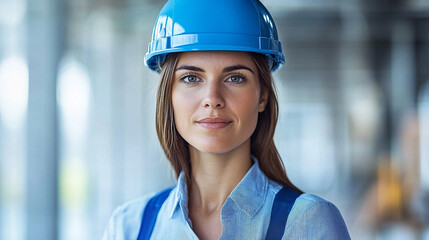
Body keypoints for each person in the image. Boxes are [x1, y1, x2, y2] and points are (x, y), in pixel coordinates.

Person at [102, 0, 351, 239]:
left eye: (235, 78)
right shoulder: (128, 227)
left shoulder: (309, 223)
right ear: (169, 95)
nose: (212, 99)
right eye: (191, 78)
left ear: (262, 95)